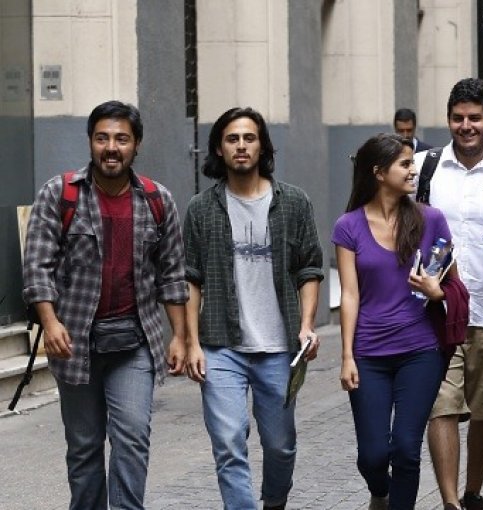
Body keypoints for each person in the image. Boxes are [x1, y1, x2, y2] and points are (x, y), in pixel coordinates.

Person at [22, 100, 188, 509]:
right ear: (91, 142)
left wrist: (180, 337)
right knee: (84, 448)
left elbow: (172, 274)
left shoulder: (156, 199)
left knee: (132, 437)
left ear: (136, 145)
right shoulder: (60, 194)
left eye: (121, 139)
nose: (111, 147)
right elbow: (37, 265)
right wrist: (50, 320)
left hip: (134, 342)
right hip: (74, 342)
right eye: (102, 138)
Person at [181, 107, 324, 510]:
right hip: (220, 344)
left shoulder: (293, 202)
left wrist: (308, 324)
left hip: (279, 347)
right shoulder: (200, 208)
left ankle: (274, 501)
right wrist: (191, 343)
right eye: (232, 139)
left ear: (262, 146)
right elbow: (190, 278)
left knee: (280, 447)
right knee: (228, 443)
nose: (241, 146)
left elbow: (310, 267)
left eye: (249, 138)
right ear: (219, 149)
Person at [334, 133, 455, 510]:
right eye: (404, 163)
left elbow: (450, 280)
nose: (413, 169)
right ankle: (380, 491)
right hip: (368, 352)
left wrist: (437, 292)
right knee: (372, 456)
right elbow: (349, 295)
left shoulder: (430, 219)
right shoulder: (348, 226)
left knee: (405, 448)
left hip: (420, 350)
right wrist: (347, 357)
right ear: (379, 172)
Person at [416, 78, 483, 510]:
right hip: (434, 309)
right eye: (458, 118)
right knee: (442, 405)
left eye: (475, 117)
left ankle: (473, 492)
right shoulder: (424, 166)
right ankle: (450, 501)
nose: (466, 126)